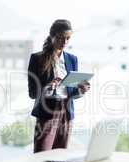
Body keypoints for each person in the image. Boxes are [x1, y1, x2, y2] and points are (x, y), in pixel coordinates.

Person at [27, 19, 90, 153]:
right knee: (41, 156)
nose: (65, 42)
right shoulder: (37, 59)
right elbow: (32, 93)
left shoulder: (72, 59)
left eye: (68, 38)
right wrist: (48, 87)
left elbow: (71, 93)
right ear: (52, 36)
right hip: (46, 113)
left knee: (61, 157)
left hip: (66, 113)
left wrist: (81, 90)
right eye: (61, 38)